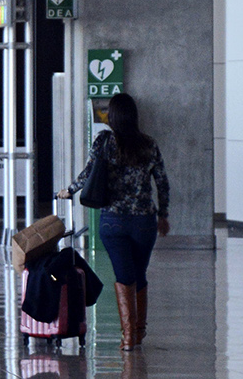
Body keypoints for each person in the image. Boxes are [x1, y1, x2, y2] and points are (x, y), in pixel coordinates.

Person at [58, 93, 170, 350]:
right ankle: (137, 333)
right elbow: (162, 182)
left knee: (124, 275)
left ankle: (130, 336)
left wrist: (70, 190)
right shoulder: (149, 145)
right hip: (144, 222)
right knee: (139, 274)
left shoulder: (104, 141)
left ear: (113, 116)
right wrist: (163, 214)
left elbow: (88, 173)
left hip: (113, 222)